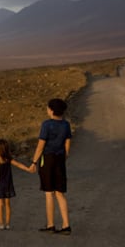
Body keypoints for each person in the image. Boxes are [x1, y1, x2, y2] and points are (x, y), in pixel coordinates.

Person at [29, 98, 72, 235]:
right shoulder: (66, 125)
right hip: (60, 159)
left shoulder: (47, 125)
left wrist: (34, 162)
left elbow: (41, 145)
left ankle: (50, 224)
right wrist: (62, 159)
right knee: (60, 193)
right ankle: (66, 225)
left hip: (47, 159)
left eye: (48, 108)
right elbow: (67, 146)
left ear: (52, 110)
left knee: (49, 193)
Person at [0, 139, 32, 230]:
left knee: (0, 204)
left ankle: (1, 224)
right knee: (7, 204)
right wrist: (28, 169)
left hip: (0, 185)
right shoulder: (8, 159)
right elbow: (18, 165)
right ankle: (7, 224)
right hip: (8, 184)